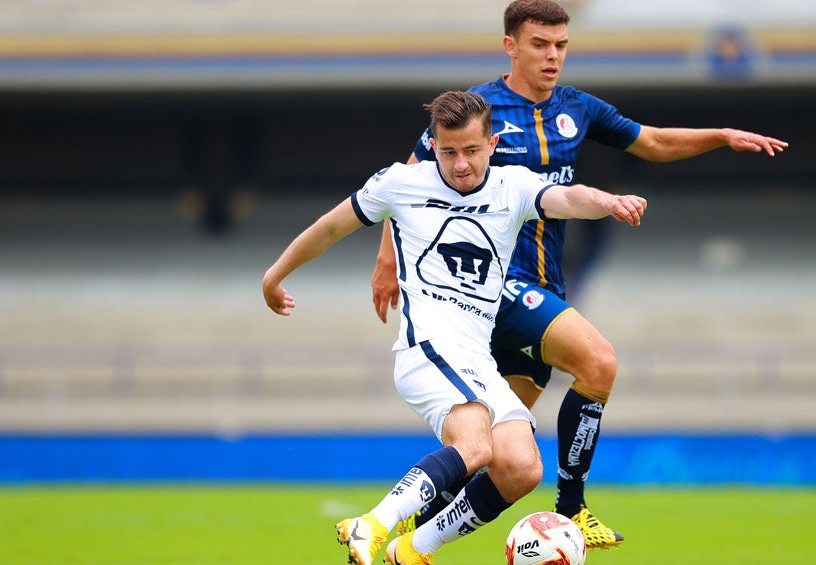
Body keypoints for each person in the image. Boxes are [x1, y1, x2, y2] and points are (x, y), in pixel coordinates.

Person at [370, 0, 789, 550]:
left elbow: (654, 142)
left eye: (561, 45)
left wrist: (721, 135)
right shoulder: (477, 111)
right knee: (599, 361)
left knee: (500, 454)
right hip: (496, 284)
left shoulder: (578, 108)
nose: (553, 56)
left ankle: (409, 539)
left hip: (547, 286)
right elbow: (407, 183)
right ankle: (573, 508)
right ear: (510, 46)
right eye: (540, 44)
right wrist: (387, 261)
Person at [263, 91, 646, 565]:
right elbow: (329, 228)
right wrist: (274, 276)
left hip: (476, 358)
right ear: (434, 146)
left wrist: (608, 201)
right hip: (427, 347)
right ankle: (374, 523)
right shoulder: (400, 182)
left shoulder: (512, 186)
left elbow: (569, 198)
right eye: (448, 152)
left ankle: (413, 549)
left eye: (471, 150)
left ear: (491, 144)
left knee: (522, 467)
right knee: (475, 445)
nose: (460, 164)